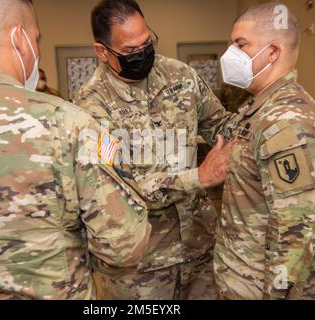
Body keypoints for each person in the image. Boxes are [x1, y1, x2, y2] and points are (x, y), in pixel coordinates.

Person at [0, 0, 151, 300]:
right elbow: (124, 246)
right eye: (36, 40)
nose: (36, 51)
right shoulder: (71, 124)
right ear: (19, 39)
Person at [74, 0, 237, 300]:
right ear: (102, 51)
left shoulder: (181, 76)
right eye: (132, 51)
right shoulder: (90, 107)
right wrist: (198, 177)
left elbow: (220, 126)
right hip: (140, 269)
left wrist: (262, 119)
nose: (144, 54)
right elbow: (119, 189)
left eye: (147, 42)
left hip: (200, 247)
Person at [214, 3, 315, 300]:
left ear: (272, 52)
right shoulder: (261, 110)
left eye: (240, 44)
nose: (230, 53)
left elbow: (293, 233)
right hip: (244, 282)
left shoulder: (286, 120)